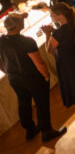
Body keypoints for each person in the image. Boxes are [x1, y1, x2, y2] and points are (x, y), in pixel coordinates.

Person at [0, 13, 64, 142]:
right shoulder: (26, 41)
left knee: (23, 102)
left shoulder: (1, 41)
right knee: (41, 103)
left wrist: (7, 71)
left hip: (14, 78)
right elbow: (39, 63)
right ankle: (47, 131)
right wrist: (46, 75)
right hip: (32, 77)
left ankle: (30, 130)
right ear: (18, 25)